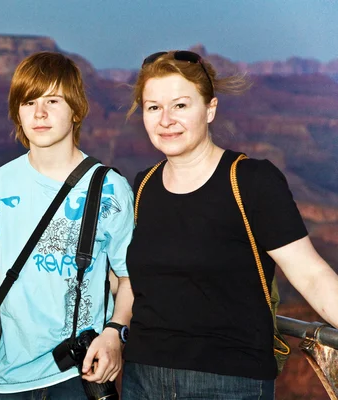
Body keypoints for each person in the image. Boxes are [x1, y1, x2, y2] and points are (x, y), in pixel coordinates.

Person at [122, 50, 338, 399]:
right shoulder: (143, 185)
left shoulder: (253, 182)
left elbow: (311, 274)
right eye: (153, 107)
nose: (166, 120)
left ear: (210, 109)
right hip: (143, 378)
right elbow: (135, 281)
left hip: (229, 382)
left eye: (180, 105)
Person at [0, 51, 134, 399]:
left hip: (78, 376)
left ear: (76, 110)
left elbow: (129, 277)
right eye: (29, 101)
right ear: (16, 112)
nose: (39, 113)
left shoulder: (109, 188)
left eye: (53, 100)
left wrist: (115, 332)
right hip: (6, 376)